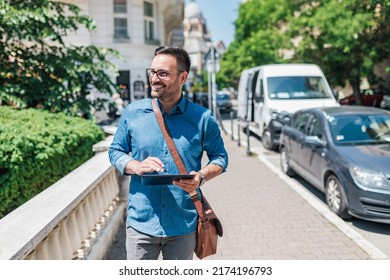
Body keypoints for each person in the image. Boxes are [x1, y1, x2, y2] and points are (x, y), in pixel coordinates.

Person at [108, 46, 228, 260]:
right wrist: (135, 165)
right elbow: (115, 151)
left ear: (183, 77)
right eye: (152, 72)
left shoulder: (202, 118)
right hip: (141, 223)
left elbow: (220, 158)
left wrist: (200, 177)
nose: (154, 79)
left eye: (162, 73)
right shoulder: (133, 113)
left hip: (183, 223)